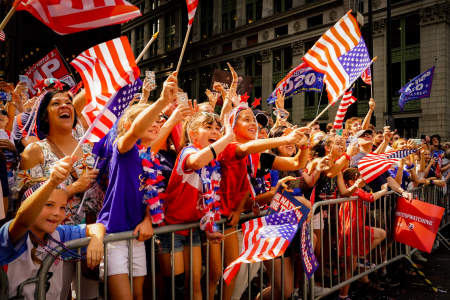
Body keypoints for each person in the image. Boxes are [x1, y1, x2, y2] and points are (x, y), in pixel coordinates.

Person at [96, 72, 178, 300]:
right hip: (113, 236)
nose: (156, 123)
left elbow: (152, 197)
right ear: (131, 124)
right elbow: (133, 133)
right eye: (150, 120)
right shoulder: (124, 148)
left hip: (136, 235)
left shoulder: (149, 156)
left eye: (158, 120)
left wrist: (148, 220)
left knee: (138, 296)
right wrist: (160, 101)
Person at [1, 156, 105, 300]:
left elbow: (96, 227)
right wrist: (52, 182)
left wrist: (97, 239)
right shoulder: (15, 234)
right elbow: (23, 219)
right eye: (48, 205)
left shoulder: (58, 234)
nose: (57, 213)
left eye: (63, 207)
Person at [159, 112, 232, 300]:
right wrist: (228, 136)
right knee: (177, 290)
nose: (215, 131)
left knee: (195, 285)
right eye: (208, 127)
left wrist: (208, 229)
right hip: (172, 230)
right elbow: (197, 161)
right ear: (192, 134)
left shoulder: (212, 163)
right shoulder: (188, 152)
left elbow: (207, 200)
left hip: (192, 230)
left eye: (218, 128)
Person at [336, 168, 387, 300]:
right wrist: (383, 190)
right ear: (352, 180)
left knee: (381, 234)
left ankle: (360, 258)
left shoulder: (354, 189)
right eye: (360, 176)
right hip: (351, 230)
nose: (363, 178)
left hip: (354, 228)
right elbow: (370, 197)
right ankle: (343, 295)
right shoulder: (355, 189)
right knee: (349, 268)